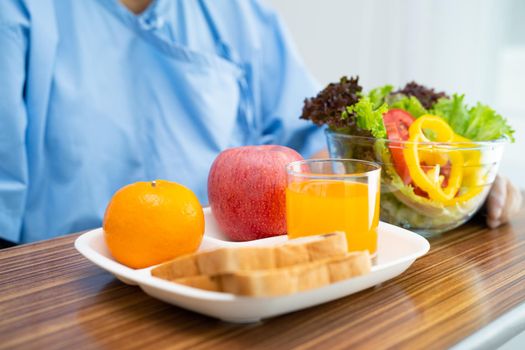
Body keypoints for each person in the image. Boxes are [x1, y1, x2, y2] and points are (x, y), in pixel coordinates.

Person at [0, 0, 521, 246]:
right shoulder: (21, 16)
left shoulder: (237, 15)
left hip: (231, 290)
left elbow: (322, 158)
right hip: (67, 290)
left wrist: (436, 182)